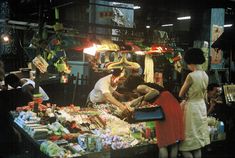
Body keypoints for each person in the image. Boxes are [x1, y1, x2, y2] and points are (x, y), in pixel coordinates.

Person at [124, 75, 184, 158]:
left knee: (162, 142)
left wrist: (138, 99)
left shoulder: (139, 87)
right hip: (173, 105)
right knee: (174, 140)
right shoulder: (147, 86)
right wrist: (138, 102)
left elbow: (155, 92)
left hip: (165, 108)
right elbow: (149, 98)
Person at [178, 48, 210, 158]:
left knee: (185, 146)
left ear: (191, 62)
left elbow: (181, 94)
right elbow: (205, 96)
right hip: (201, 107)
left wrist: (186, 96)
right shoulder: (205, 75)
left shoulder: (191, 76)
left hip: (191, 108)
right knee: (197, 144)